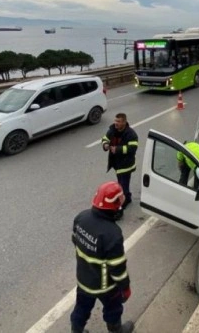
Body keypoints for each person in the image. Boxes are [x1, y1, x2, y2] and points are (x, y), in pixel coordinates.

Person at [70, 182, 134, 333]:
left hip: (83, 279)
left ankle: (76, 330)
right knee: (113, 308)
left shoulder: (81, 218)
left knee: (81, 308)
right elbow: (117, 268)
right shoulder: (112, 234)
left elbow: (76, 242)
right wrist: (125, 288)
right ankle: (116, 329)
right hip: (105, 286)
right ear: (115, 205)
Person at [101, 114, 138, 210]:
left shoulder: (131, 134)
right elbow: (105, 138)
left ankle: (124, 202)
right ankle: (128, 197)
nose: (116, 123)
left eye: (118, 121)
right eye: (115, 121)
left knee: (123, 184)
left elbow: (132, 148)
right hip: (117, 163)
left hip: (126, 164)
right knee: (120, 182)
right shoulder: (112, 130)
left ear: (124, 122)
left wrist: (117, 149)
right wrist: (105, 144)